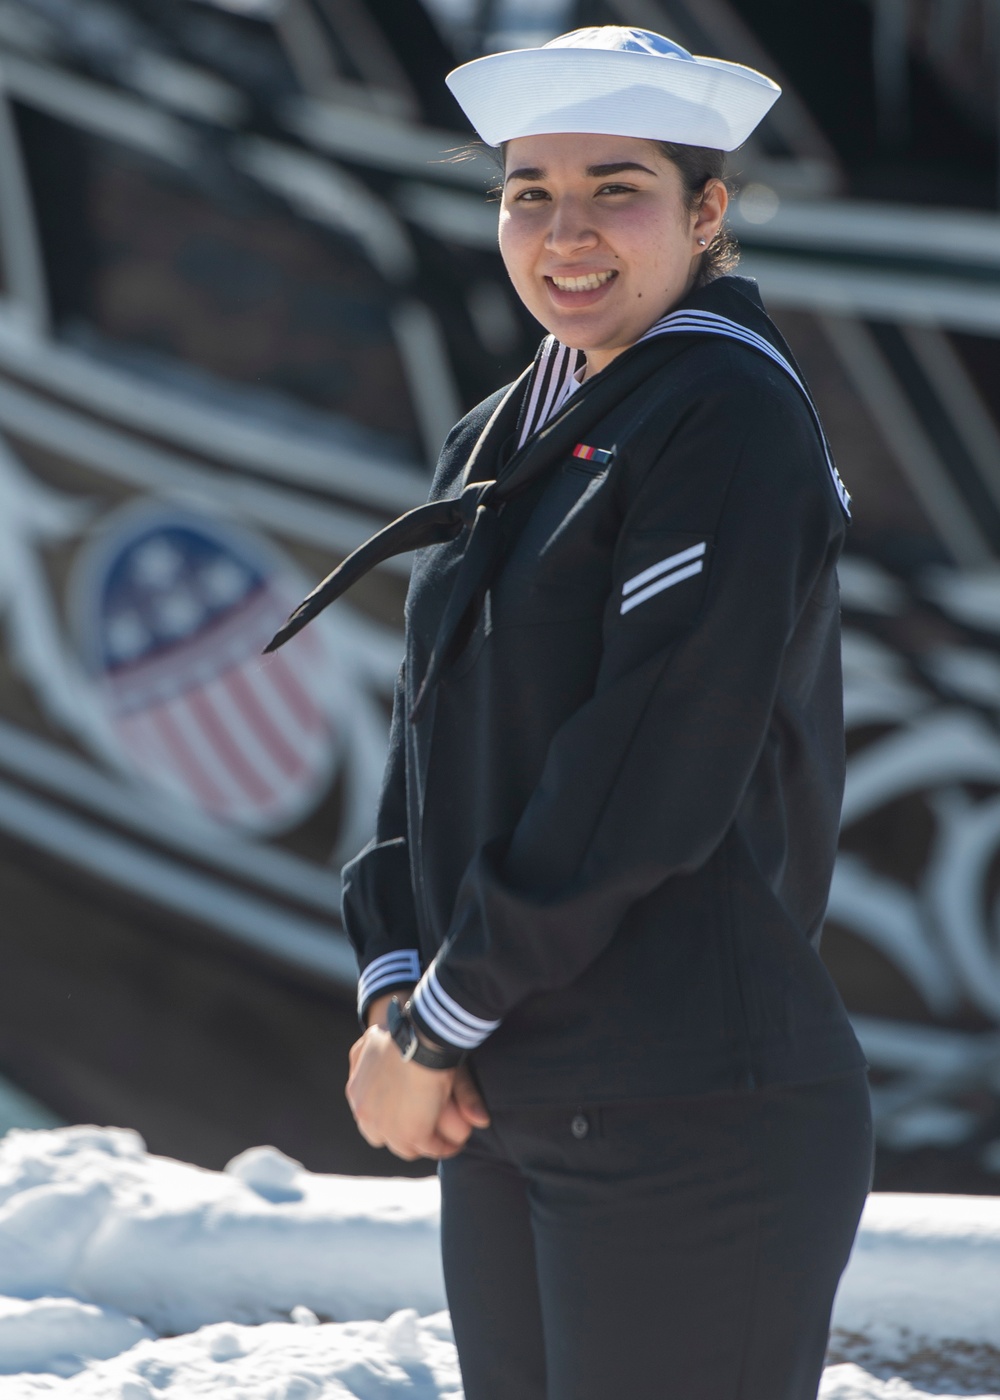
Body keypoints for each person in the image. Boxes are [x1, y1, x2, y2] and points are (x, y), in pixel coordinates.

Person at [269, 25, 873, 1400]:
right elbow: (429, 727)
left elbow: (651, 764)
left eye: (619, 188)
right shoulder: (506, 426)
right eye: (529, 191)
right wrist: (393, 980)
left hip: (684, 1106)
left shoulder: (725, 411)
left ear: (707, 213)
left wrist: (438, 1025)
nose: (566, 231)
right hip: (513, 1089)